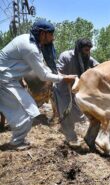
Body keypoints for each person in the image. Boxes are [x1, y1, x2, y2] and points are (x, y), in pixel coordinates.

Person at [0, 19, 76, 149]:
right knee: (25, 113)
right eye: (51, 34)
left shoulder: (31, 43)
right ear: (42, 34)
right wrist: (64, 79)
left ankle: (18, 140)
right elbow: (43, 75)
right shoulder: (30, 48)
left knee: (32, 111)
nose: (53, 38)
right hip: (3, 80)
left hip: (9, 79)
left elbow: (43, 68)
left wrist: (61, 76)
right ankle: (16, 142)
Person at [53, 38, 99, 146]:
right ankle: (72, 139)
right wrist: (66, 77)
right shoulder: (65, 56)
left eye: (89, 50)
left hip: (77, 90)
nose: (88, 53)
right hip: (62, 89)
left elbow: (98, 66)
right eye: (86, 50)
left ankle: (84, 135)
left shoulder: (88, 57)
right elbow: (56, 72)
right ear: (79, 49)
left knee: (79, 115)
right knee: (66, 115)